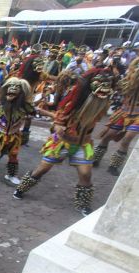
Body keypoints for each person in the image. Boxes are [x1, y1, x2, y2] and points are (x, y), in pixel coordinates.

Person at [13, 68, 114, 216]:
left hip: (82, 145)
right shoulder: (73, 103)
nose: (104, 89)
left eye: (107, 84)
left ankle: (83, 204)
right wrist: (58, 126)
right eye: (100, 84)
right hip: (61, 143)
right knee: (43, 169)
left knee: (86, 174)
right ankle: (21, 188)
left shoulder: (103, 105)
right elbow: (58, 120)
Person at [93, 57, 139, 176]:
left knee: (126, 140)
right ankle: (96, 159)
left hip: (137, 116)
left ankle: (114, 166)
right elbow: (122, 86)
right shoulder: (130, 78)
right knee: (107, 136)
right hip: (124, 112)